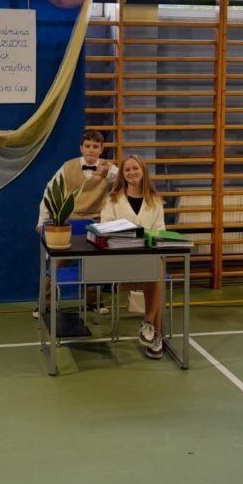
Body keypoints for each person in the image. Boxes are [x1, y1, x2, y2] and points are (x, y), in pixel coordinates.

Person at [33, 128, 118, 318]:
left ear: (101, 149)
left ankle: (94, 302)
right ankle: (45, 304)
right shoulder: (68, 167)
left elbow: (124, 182)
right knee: (56, 263)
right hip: (69, 221)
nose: (91, 150)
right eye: (87, 146)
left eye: (95, 146)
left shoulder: (109, 168)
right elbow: (50, 191)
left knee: (94, 263)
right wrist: (42, 221)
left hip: (95, 222)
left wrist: (108, 175)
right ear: (81, 148)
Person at [100, 154, 165, 359]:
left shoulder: (155, 201)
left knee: (156, 267)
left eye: (135, 168)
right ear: (122, 175)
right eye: (127, 170)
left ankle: (150, 327)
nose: (131, 172)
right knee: (155, 272)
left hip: (147, 257)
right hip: (120, 258)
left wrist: (148, 239)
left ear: (143, 171)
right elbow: (105, 228)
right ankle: (154, 332)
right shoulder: (112, 199)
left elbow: (160, 230)